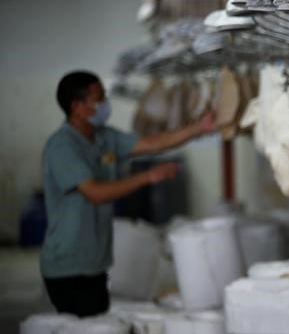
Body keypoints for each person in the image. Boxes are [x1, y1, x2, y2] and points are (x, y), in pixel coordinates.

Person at [41, 71, 217, 317]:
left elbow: (152, 143)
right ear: (77, 107)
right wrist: (147, 177)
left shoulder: (105, 137)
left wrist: (199, 128)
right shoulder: (62, 146)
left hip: (96, 262)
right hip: (68, 265)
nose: (105, 105)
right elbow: (95, 193)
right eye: (99, 99)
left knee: (97, 327)